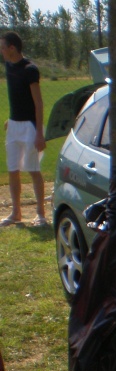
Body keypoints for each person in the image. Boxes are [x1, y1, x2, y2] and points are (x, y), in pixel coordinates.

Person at [0, 31, 46, 227]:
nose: (0, 51)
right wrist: (11, 120)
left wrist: (39, 133)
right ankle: (16, 213)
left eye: (2, 47)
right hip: (14, 126)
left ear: (12, 48)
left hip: (30, 127)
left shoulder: (30, 70)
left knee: (33, 170)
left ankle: (41, 215)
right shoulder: (8, 66)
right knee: (13, 170)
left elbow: (38, 103)